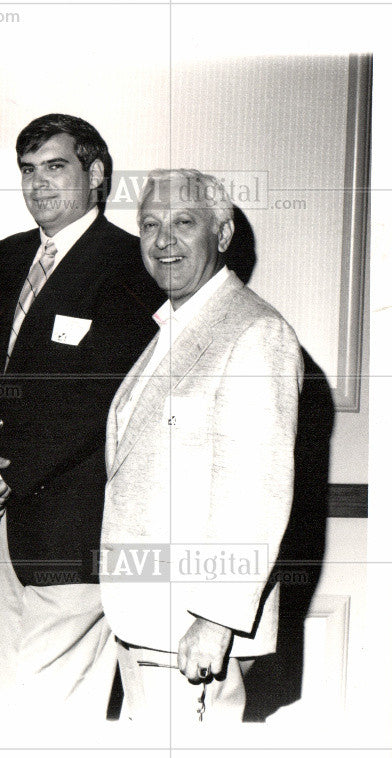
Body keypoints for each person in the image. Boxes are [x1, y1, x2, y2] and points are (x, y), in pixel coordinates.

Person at [0, 113, 163, 716]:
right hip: (0, 531)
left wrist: (8, 471)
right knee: (18, 702)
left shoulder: (131, 263)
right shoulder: (6, 257)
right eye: (28, 170)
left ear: (96, 174)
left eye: (56, 167)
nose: (38, 184)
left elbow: (100, 398)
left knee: (51, 713)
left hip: (75, 532)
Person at [100, 169, 303, 723]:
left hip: (193, 629)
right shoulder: (176, 327)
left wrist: (215, 620)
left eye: (183, 223)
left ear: (223, 234)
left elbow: (255, 491)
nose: (162, 241)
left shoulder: (254, 332)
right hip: (147, 619)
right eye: (149, 225)